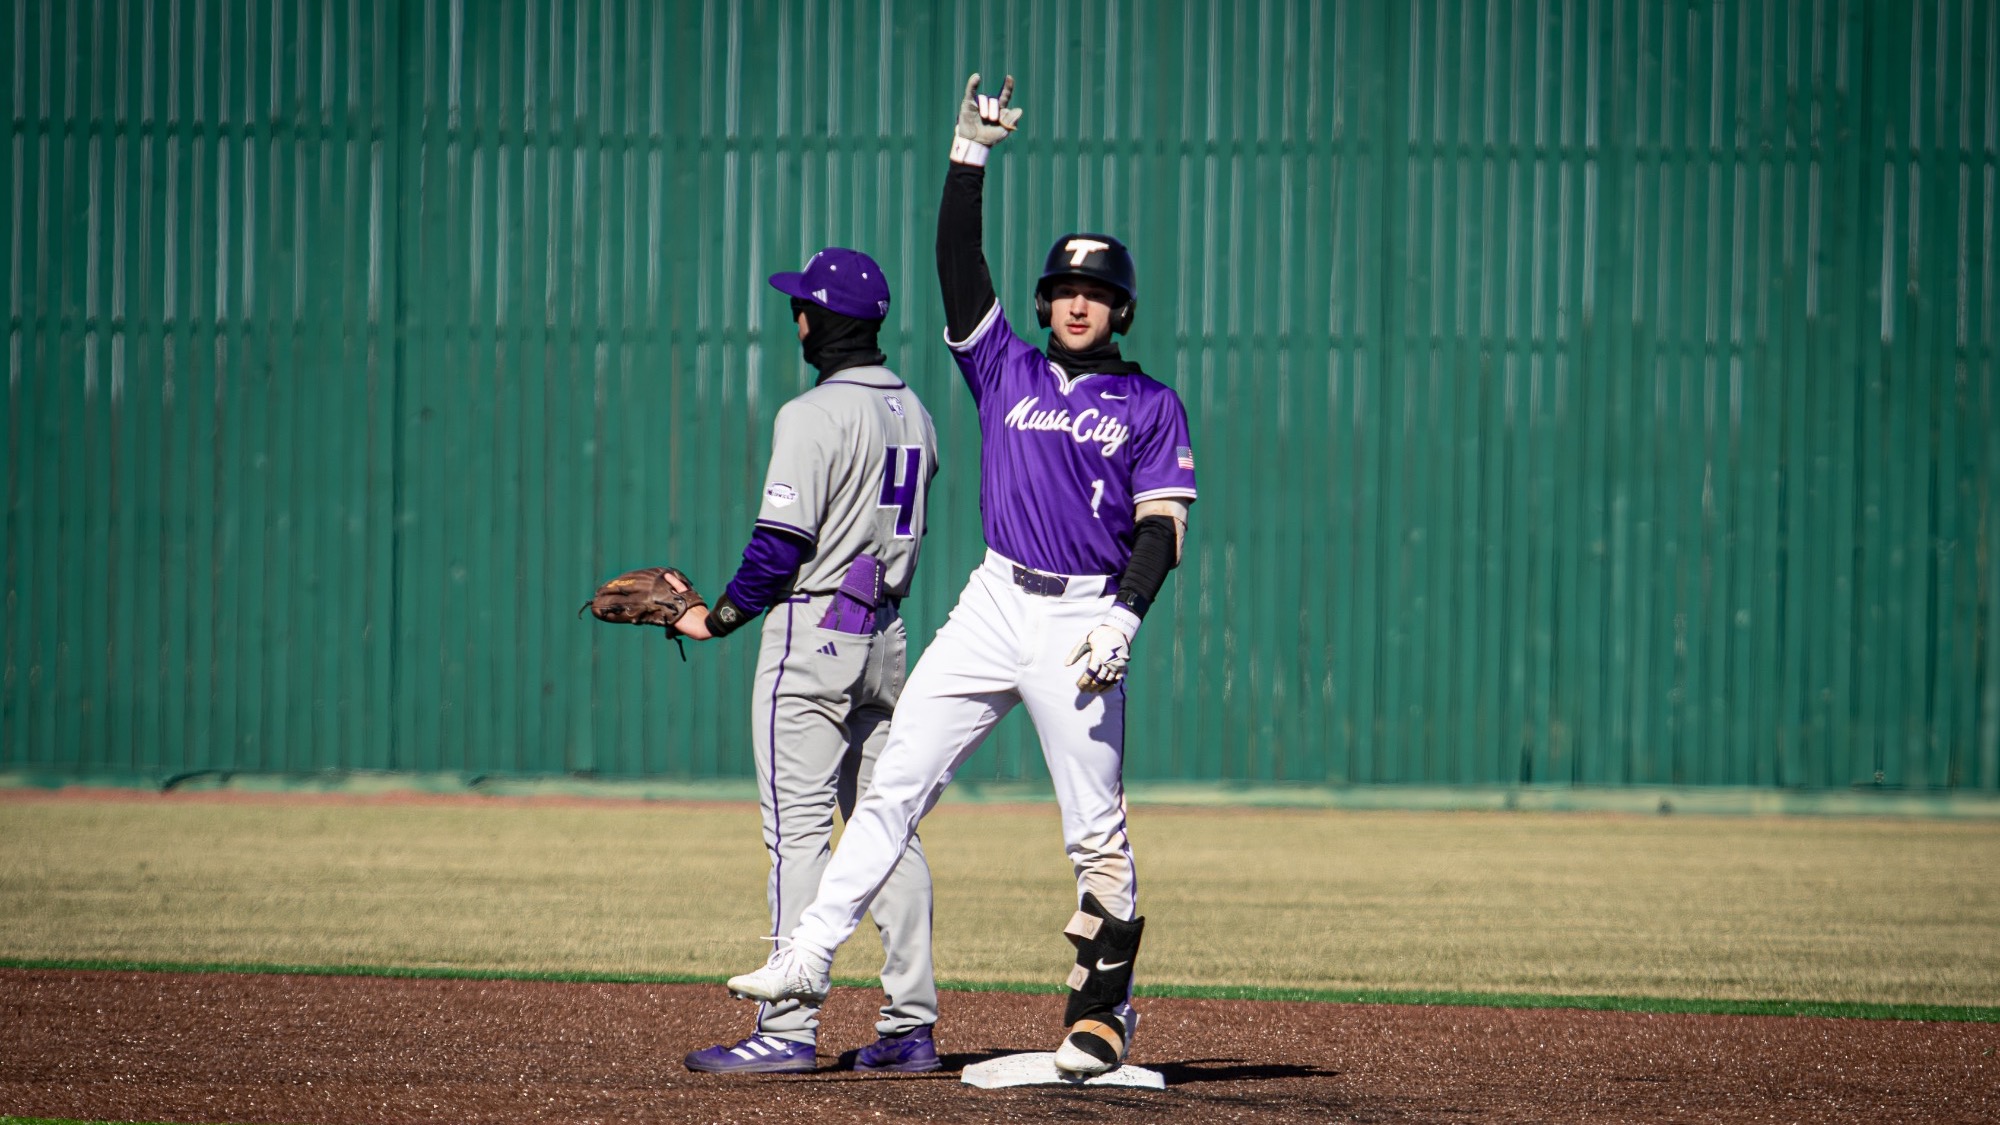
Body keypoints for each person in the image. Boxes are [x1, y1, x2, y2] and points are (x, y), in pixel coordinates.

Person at [725, 75, 1198, 1080]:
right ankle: (806, 958)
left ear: (1119, 309)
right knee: (892, 786)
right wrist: (967, 154)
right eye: (1065, 290)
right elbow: (955, 264)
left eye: (1098, 293)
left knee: (1094, 826)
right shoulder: (1005, 370)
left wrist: (1125, 616)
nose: (1079, 302)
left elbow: (1161, 527)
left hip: (1080, 618)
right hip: (991, 599)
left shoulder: (1150, 403)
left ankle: (1100, 1017)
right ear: (1041, 302)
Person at [671, 247, 944, 1075]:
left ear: (817, 322)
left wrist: (714, 618)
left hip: (813, 635)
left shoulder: (812, 414)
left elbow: (778, 546)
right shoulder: (918, 412)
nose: (794, 316)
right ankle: (909, 1022)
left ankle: (785, 1029)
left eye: (801, 305)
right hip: (887, 638)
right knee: (888, 827)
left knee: (798, 834)